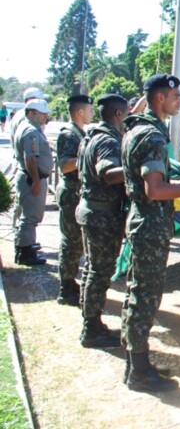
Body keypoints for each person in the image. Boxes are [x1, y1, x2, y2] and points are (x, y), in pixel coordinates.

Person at [120, 74, 180, 392]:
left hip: (143, 223)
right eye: (175, 95)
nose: (179, 100)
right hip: (150, 226)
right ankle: (138, 373)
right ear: (159, 98)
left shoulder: (139, 129)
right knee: (144, 297)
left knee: (137, 294)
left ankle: (137, 363)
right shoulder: (152, 137)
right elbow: (155, 190)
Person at [76, 94, 129, 349]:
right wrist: (135, 169)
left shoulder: (90, 136)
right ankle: (91, 329)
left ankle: (91, 323)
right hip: (102, 216)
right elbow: (108, 174)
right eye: (127, 113)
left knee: (91, 270)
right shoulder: (108, 140)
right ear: (118, 114)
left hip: (91, 211)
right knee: (99, 272)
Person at [54, 94, 94, 306]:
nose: (92, 113)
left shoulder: (79, 132)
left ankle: (69, 282)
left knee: (76, 242)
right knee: (71, 242)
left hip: (76, 192)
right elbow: (64, 165)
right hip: (71, 193)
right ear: (80, 111)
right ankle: (66, 287)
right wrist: (87, 158)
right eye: (89, 110)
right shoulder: (69, 134)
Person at [12, 98, 53, 266]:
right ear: (31, 113)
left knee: (27, 215)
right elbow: (30, 158)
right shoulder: (31, 132)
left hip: (30, 177)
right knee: (30, 217)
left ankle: (25, 246)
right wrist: (36, 181)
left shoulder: (29, 128)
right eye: (41, 114)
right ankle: (25, 252)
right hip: (32, 178)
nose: (45, 117)